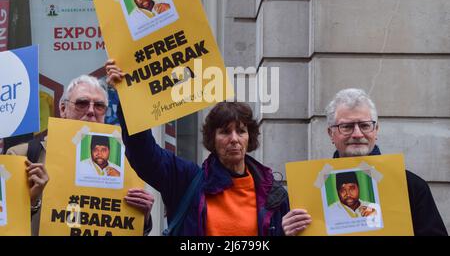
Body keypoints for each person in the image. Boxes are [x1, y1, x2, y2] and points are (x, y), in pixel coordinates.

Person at [105, 59, 312, 236]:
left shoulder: (274, 194)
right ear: (212, 138)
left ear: (250, 138)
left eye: (240, 131)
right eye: (224, 132)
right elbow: (144, 154)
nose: (234, 139)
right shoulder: (188, 180)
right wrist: (128, 97)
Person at [7, 75, 154, 235]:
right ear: (63, 109)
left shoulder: (126, 160)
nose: (91, 111)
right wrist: (31, 200)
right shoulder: (22, 156)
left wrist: (142, 219)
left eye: (99, 106)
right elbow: (6, 226)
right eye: (82, 103)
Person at [325, 88, 447, 236]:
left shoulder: (412, 187)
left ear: (376, 130)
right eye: (346, 126)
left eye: (365, 125)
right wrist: (288, 231)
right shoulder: (311, 192)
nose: (357, 134)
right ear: (331, 133)